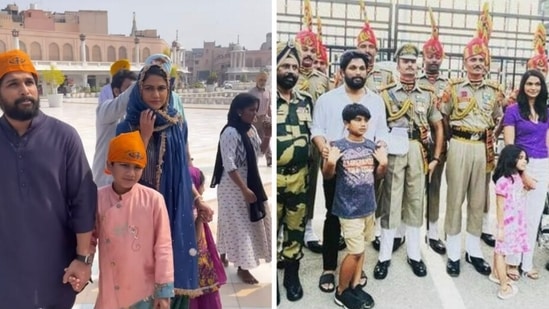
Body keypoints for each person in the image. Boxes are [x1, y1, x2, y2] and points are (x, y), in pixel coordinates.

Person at [0, 49, 97, 307]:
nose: (25, 90)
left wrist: (83, 259)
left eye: (29, 82)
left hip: (57, 274)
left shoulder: (64, 137)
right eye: (13, 84)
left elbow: (83, 202)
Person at [116, 62, 213, 307]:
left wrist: (198, 199)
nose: (156, 95)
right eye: (149, 88)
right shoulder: (126, 126)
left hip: (173, 209)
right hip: (140, 211)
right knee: (142, 275)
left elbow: (181, 171)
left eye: (161, 88)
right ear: (139, 91)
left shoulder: (176, 124)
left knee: (173, 266)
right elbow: (124, 174)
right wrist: (145, 135)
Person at [311, 49, 389, 293]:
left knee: (364, 216)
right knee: (333, 216)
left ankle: (356, 264)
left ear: (368, 71)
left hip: (365, 168)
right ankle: (328, 267)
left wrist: (382, 150)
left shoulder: (375, 101)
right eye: (352, 68)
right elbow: (317, 130)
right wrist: (325, 151)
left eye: (362, 68)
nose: (357, 72)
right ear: (342, 71)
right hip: (336, 166)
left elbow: (382, 132)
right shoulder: (328, 100)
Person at [439, 3, 503, 277]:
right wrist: (453, 140)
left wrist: (492, 138)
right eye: (472, 60)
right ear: (465, 63)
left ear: (486, 63)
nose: (477, 64)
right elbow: (443, 118)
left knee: (478, 200)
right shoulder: (453, 89)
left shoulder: (494, 90)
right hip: (460, 146)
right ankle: (453, 252)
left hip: (482, 148)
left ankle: (474, 250)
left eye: (481, 60)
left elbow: (500, 119)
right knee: (455, 199)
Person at [374, 44, 443, 280]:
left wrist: (436, 157)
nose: (410, 65)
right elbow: (379, 127)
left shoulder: (427, 94)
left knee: (415, 200)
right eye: (405, 61)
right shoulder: (385, 93)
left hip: (417, 148)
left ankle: (414, 254)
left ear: (419, 64)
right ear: (398, 65)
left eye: (413, 61)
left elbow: (437, 125)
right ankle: (384, 256)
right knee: (391, 200)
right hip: (394, 146)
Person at [91, 131, 174, 309]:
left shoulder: (153, 200)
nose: (131, 173)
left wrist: (163, 292)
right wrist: (83, 266)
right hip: (110, 289)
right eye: (124, 165)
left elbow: (163, 247)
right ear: (109, 165)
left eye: (137, 167)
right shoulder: (98, 198)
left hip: (144, 292)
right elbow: (89, 239)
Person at [323, 104, 386, 309]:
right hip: (348, 210)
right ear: (346, 123)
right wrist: (330, 163)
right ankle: (341, 292)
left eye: (365, 120)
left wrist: (383, 165)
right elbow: (327, 176)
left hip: (368, 206)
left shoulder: (371, 146)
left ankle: (356, 284)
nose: (363, 124)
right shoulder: (337, 146)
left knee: (362, 248)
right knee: (355, 251)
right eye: (358, 120)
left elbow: (378, 176)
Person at [210, 92, 272, 285]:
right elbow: (229, 164)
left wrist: (268, 135)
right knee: (238, 224)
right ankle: (242, 267)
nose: (255, 114)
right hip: (234, 185)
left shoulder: (251, 129)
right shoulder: (230, 132)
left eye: (256, 110)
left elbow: (259, 153)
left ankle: (226, 254)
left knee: (249, 222)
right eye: (251, 110)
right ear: (239, 111)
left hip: (250, 180)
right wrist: (244, 189)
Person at [275, 40, 313, 303]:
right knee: (273, 228)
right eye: (285, 65)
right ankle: (273, 284)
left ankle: (292, 275)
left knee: (295, 228)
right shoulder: (266, 99)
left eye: (294, 66)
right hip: (274, 178)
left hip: (299, 177)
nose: (290, 70)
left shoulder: (307, 101)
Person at [502, 69, 549, 280]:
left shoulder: (546, 111)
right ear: (523, 86)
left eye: (537, 84)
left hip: (543, 165)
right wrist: (522, 173)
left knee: (533, 217)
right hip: (520, 165)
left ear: (542, 87)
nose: (533, 88)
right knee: (517, 215)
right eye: (529, 84)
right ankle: (512, 262)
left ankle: (527, 262)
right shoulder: (512, 111)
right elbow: (510, 146)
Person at [294, 0, 330, 255]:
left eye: (311, 50)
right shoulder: (288, 76)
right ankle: (287, 231)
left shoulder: (323, 81)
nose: (307, 54)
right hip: (292, 140)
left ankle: (307, 227)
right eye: (302, 49)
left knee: (312, 185)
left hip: (315, 142)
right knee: (290, 185)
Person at [416, 8, 448, 255]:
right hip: (417, 143)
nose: (434, 60)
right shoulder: (415, 83)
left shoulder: (450, 85)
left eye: (438, 57)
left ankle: (433, 230)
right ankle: (407, 231)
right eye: (430, 56)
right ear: (423, 58)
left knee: (435, 186)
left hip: (440, 143)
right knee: (413, 185)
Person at [490, 144, 530, 299]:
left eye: (525, 158)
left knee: (500, 251)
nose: (524, 160)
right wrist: (500, 228)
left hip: (515, 223)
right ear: (510, 159)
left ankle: (495, 274)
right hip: (507, 224)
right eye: (520, 158)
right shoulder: (503, 181)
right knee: (501, 253)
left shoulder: (517, 177)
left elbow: (532, 185)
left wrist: (522, 169)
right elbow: (500, 205)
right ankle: (504, 287)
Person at [92, 69, 137, 187]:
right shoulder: (105, 110)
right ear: (116, 91)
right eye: (129, 88)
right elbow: (122, 102)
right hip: (104, 184)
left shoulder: (136, 116)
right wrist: (144, 80)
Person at [189, 166, 226, 309]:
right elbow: (196, 242)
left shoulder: (184, 208)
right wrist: (199, 220)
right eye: (202, 185)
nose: (203, 189)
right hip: (198, 266)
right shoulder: (195, 211)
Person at [248, 71, 272, 166]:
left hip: (263, 119)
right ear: (257, 80)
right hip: (254, 120)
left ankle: (269, 158)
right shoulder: (251, 93)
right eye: (261, 80)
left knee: (265, 138)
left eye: (265, 80)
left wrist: (270, 118)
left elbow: (269, 106)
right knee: (252, 140)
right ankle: (252, 159)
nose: (263, 82)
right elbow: (248, 107)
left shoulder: (268, 92)